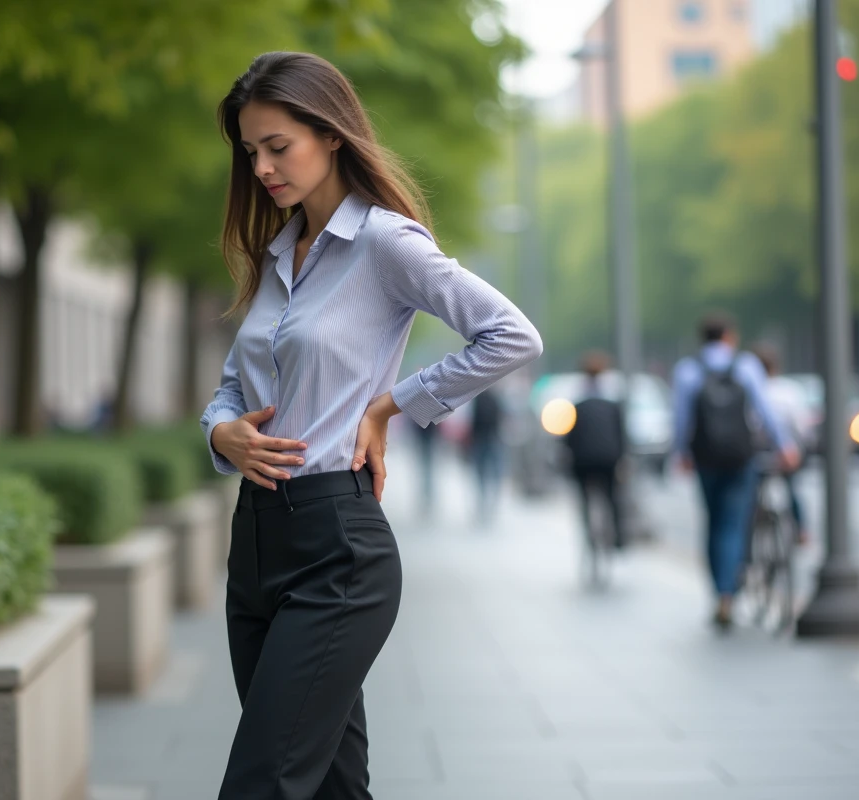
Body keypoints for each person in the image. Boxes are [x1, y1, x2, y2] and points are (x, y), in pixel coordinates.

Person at [200, 52, 543, 799]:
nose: (261, 168)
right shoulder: (277, 255)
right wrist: (221, 433)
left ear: (331, 134)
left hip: (336, 551)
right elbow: (231, 388)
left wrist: (395, 404)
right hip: (254, 547)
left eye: (277, 146)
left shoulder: (385, 243)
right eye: (250, 151)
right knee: (332, 788)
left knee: (259, 784)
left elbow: (511, 336)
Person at [672, 313, 799, 631]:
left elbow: (681, 418)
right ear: (729, 336)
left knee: (714, 522)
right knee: (734, 523)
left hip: (705, 458)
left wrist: (681, 453)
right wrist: (784, 445)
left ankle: (721, 594)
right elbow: (765, 410)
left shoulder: (688, 370)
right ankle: (731, 587)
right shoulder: (746, 366)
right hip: (741, 457)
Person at [563, 351, 627, 550]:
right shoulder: (612, 404)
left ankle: (588, 534)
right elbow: (621, 435)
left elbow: (569, 438)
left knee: (584, 497)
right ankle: (618, 536)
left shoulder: (578, 405)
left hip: (583, 460)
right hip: (608, 458)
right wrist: (623, 459)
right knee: (612, 497)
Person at [751, 343, 811, 545]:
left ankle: (747, 538)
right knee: (792, 489)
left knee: (749, 495)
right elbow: (802, 427)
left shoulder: (751, 390)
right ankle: (801, 529)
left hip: (758, 455)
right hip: (788, 453)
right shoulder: (790, 391)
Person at [467, 387, 505, 524]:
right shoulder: (494, 398)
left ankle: (484, 504)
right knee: (491, 474)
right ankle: (488, 504)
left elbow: (473, 421)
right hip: (489, 440)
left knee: (482, 475)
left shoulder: (479, 399)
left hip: (483, 440)